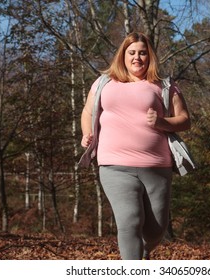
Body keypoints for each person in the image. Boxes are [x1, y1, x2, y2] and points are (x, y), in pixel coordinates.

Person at [80, 32, 191, 260]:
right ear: (123, 55)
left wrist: (161, 122)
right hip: (114, 166)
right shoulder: (104, 83)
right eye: (132, 53)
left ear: (150, 56)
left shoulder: (164, 85)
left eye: (142, 53)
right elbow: (88, 112)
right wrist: (86, 133)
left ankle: (141, 253)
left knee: (156, 230)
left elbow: (185, 120)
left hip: (156, 167)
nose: (137, 58)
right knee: (129, 221)